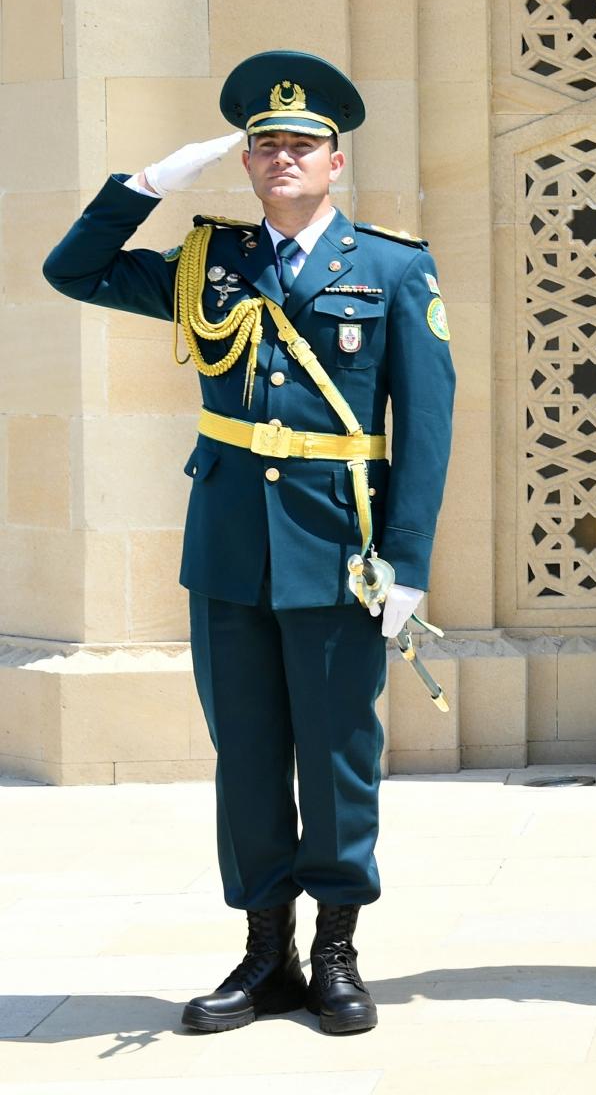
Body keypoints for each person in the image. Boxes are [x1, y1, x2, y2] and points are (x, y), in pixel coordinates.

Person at [43, 51, 456, 1034]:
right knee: (248, 755)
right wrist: (146, 186)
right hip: (230, 548)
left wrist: (408, 562)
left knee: (340, 754)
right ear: (247, 161)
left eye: (302, 145)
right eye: (266, 144)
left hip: (339, 547)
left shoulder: (394, 268)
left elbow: (428, 427)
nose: (282, 157)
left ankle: (338, 954)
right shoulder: (208, 264)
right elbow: (74, 269)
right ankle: (265, 953)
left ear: (336, 163)